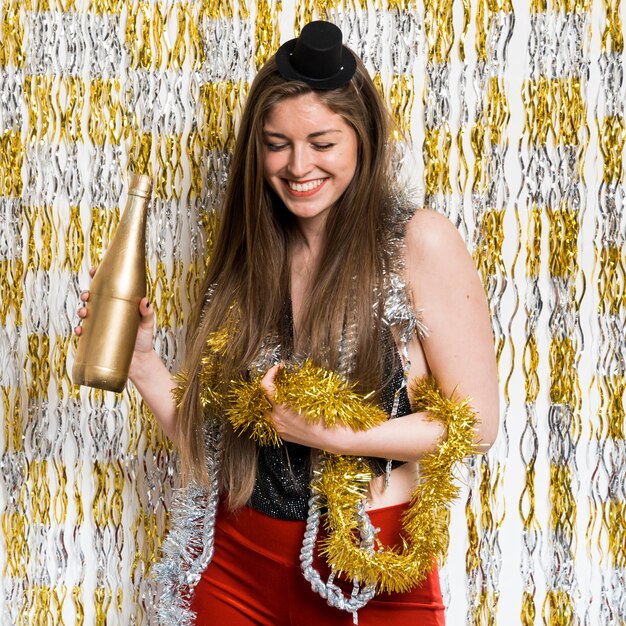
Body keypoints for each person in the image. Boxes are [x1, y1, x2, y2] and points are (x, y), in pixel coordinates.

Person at [76, 19, 499, 626]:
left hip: (372, 572)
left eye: (323, 143)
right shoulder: (253, 256)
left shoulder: (417, 242)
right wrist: (142, 362)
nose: (299, 165)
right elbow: (217, 446)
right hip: (238, 568)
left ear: (362, 138)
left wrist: (334, 435)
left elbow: (477, 426)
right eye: (277, 143)